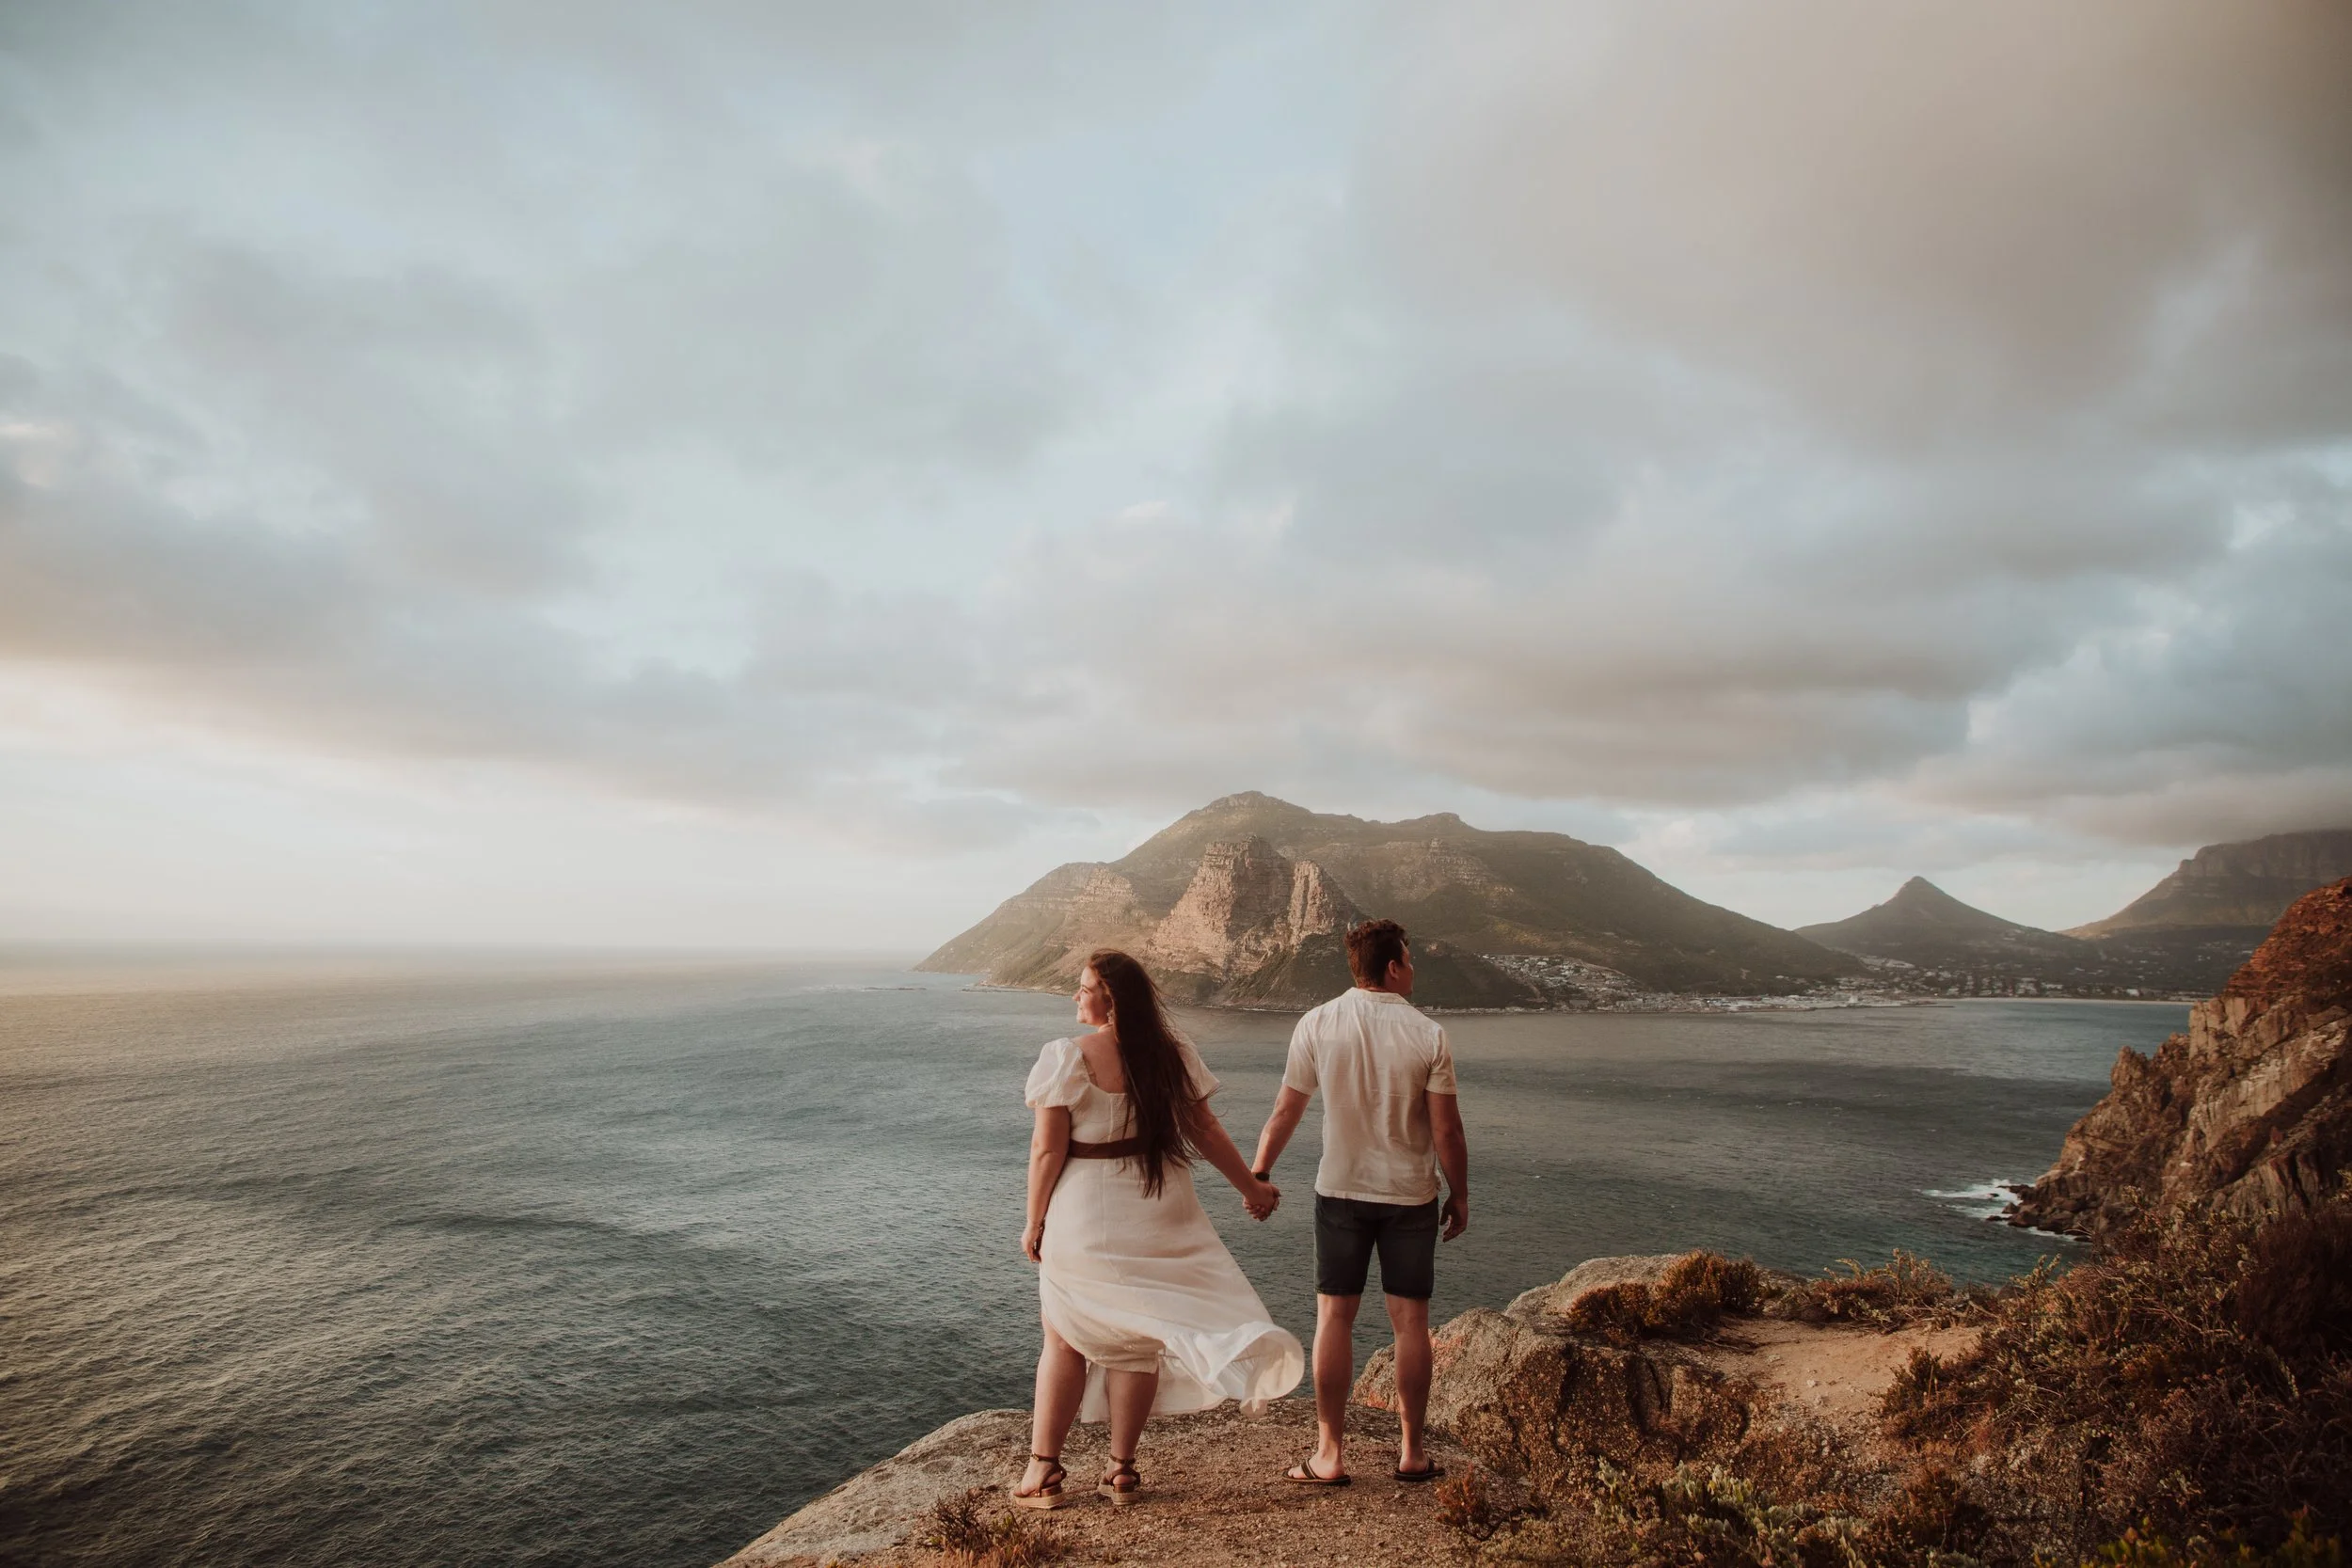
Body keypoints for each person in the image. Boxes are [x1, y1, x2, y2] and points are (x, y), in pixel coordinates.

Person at [1010, 949, 1304, 1510]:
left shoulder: (1066, 1057)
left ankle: (1043, 1471)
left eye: (1084, 987)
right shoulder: (1173, 1053)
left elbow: (1047, 1149)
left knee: (1065, 1335)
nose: (1077, 995)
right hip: (1160, 1204)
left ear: (1109, 998)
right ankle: (1121, 1470)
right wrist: (1252, 1188)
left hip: (1086, 1210)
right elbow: (1206, 1131)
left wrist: (1033, 1220)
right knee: (1138, 1340)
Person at [1251, 918, 1469, 1487]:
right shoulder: (1429, 1034)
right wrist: (1461, 1194)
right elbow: (1448, 1132)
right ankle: (1412, 1453)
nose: (1414, 968)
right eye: (1410, 959)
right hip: (1411, 1197)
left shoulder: (1318, 1023)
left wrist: (1259, 1173)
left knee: (1334, 1319)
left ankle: (1329, 1455)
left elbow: (1285, 1111)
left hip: (1340, 1192)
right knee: (1411, 1324)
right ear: (1392, 967)